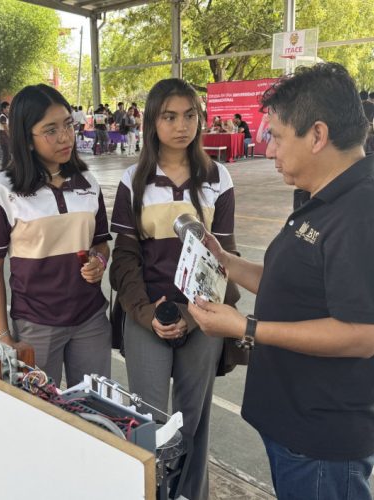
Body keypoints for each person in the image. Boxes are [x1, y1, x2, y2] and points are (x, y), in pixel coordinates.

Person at [188, 63, 374, 500]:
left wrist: (245, 327)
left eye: (275, 135)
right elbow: (293, 284)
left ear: (316, 135)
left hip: (323, 436)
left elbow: (361, 335)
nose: (269, 149)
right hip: (296, 421)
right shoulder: (326, 197)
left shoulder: (367, 214)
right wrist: (226, 262)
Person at [109, 78, 238, 500]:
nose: (181, 126)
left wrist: (195, 312)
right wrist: (146, 312)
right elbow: (124, 257)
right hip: (147, 314)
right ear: (152, 122)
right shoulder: (134, 179)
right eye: (169, 116)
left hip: (204, 317)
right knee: (148, 420)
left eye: (189, 115)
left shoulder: (219, 178)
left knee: (193, 419)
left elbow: (226, 257)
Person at [0, 84, 111, 387]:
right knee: (40, 412)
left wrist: (100, 260)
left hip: (91, 319)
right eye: (50, 130)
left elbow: (101, 242)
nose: (65, 137)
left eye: (68, 125)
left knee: (96, 412)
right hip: (36, 325)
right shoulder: (1, 191)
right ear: (27, 138)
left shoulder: (88, 181)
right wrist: (3, 336)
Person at [0, 101, 10, 167]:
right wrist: (10, 136)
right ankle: (4, 168)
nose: (9, 109)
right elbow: (6, 128)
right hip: (4, 136)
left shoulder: (6, 116)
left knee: (7, 154)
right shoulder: (2, 117)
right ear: (4, 109)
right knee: (6, 154)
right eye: (8, 108)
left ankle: (5, 167)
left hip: (6, 136)